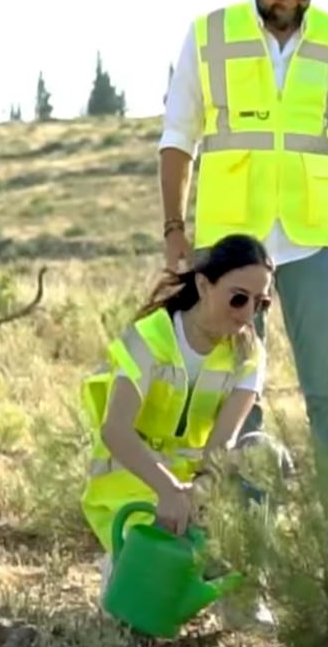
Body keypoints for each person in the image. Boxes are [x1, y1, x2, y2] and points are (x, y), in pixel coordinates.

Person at [159, 0, 328, 501]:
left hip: (313, 238)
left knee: (327, 391)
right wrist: (175, 230)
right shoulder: (209, 35)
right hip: (231, 245)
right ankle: (244, 523)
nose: (289, 2)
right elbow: (178, 136)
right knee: (233, 387)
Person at [79, 235, 274, 588]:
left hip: (191, 483)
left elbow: (223, 442)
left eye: (261, 303)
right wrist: (168, 490)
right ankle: (125, 570)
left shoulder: (250, 355)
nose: (248, 315)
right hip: (130, 479)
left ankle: (244, 592)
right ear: (203, 285)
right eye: (238, 298)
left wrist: (199, 492)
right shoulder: (150, 337)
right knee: (143, 602)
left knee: (263, 453)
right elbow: (116, 431)